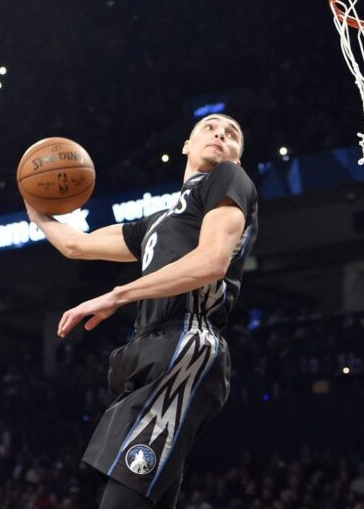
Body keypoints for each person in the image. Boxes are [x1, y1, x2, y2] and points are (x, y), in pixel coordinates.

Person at [25, 113, 259, 509]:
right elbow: (75, 245)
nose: (220, 134)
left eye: (231, 134)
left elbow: (212, 262)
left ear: (236, 158)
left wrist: (116, 295)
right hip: (153, 347)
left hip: (187, 342)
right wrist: (33, 202)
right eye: (210, 127)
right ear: (186, 144)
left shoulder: (229, 180)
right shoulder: (159, 221)